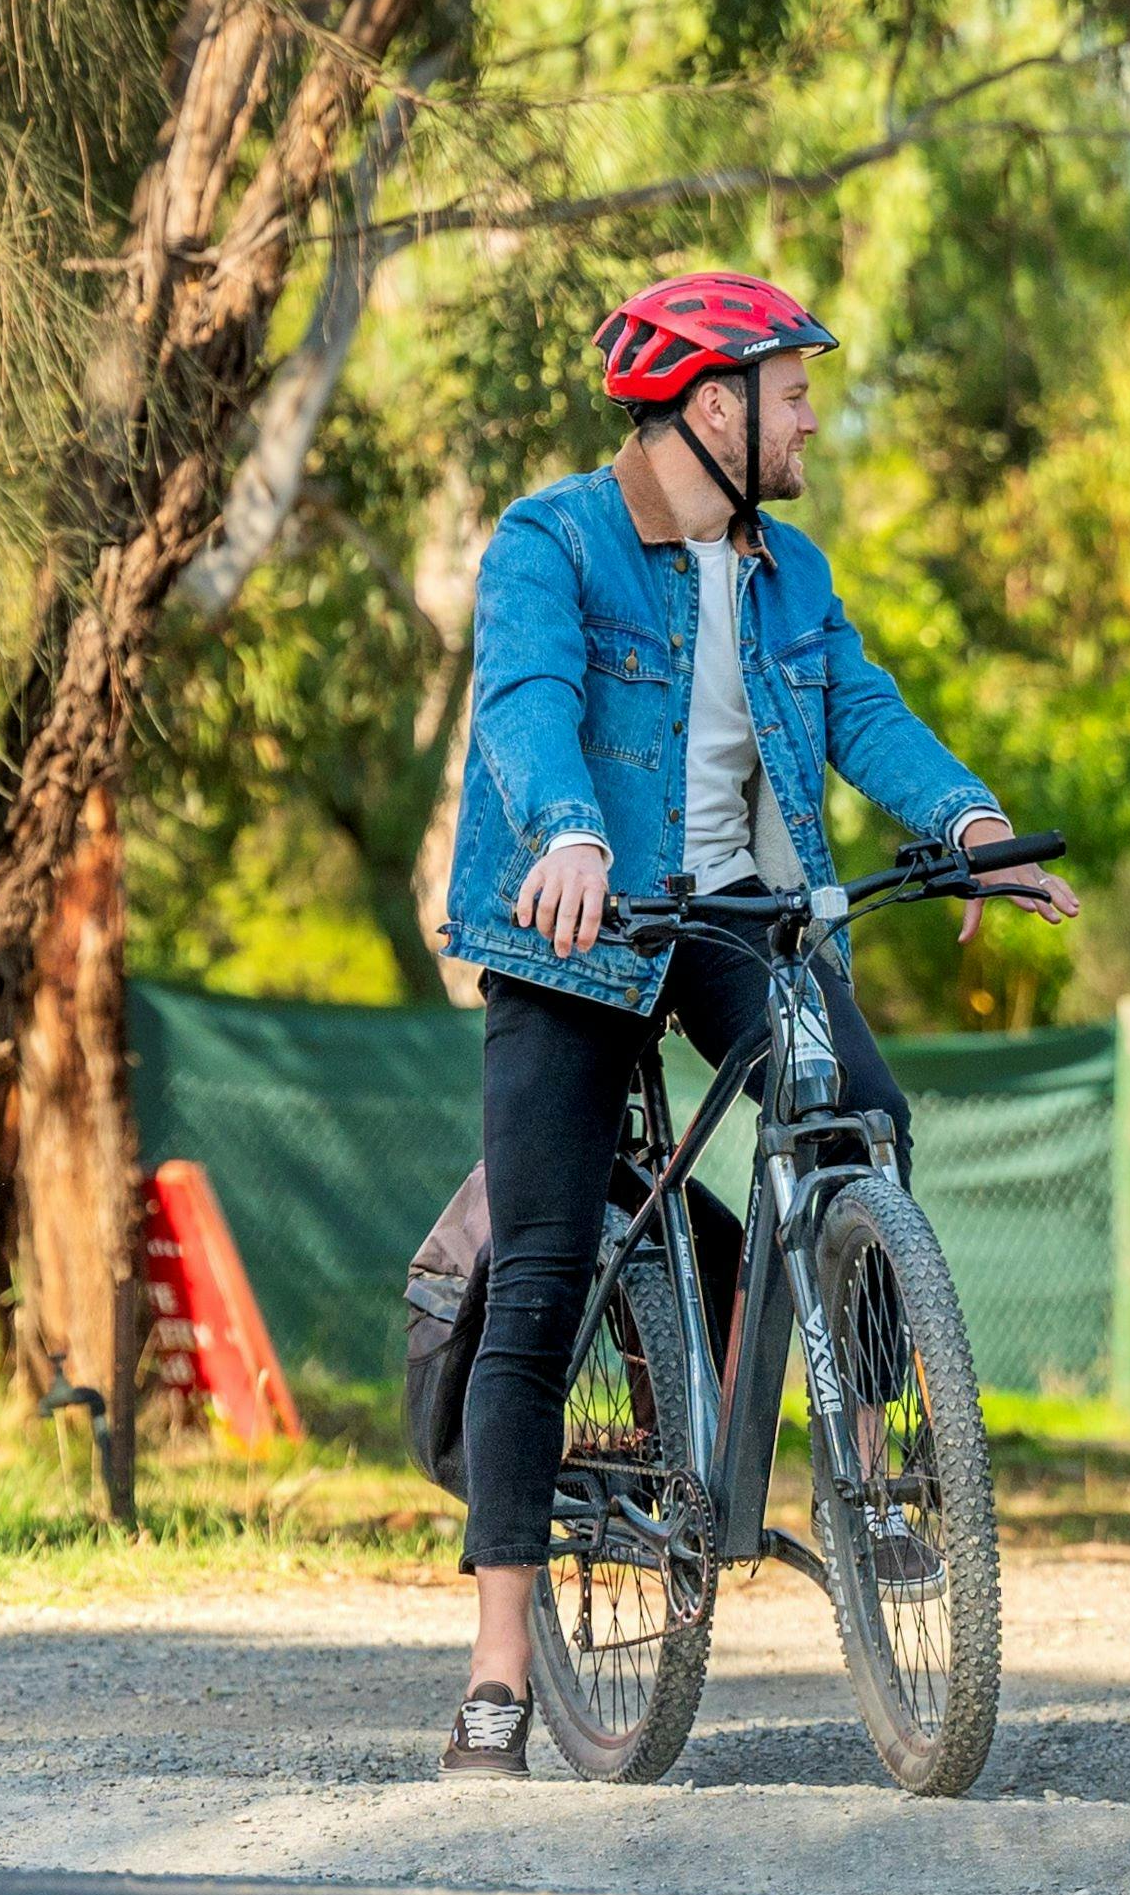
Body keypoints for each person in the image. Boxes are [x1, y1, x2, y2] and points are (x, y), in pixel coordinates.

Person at [429, 268, 1074, 1780]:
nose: (808, 422)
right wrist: (569, 834)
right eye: (791, 395)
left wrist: (969, 824)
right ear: (711, 407)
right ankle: (498, 1674)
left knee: (860, 1121)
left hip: (732, 917)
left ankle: (871, 1464)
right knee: (540, 1274)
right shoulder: (552, 540)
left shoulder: (791, 572)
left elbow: (862, 712)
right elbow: (524, 702)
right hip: (577, 926)